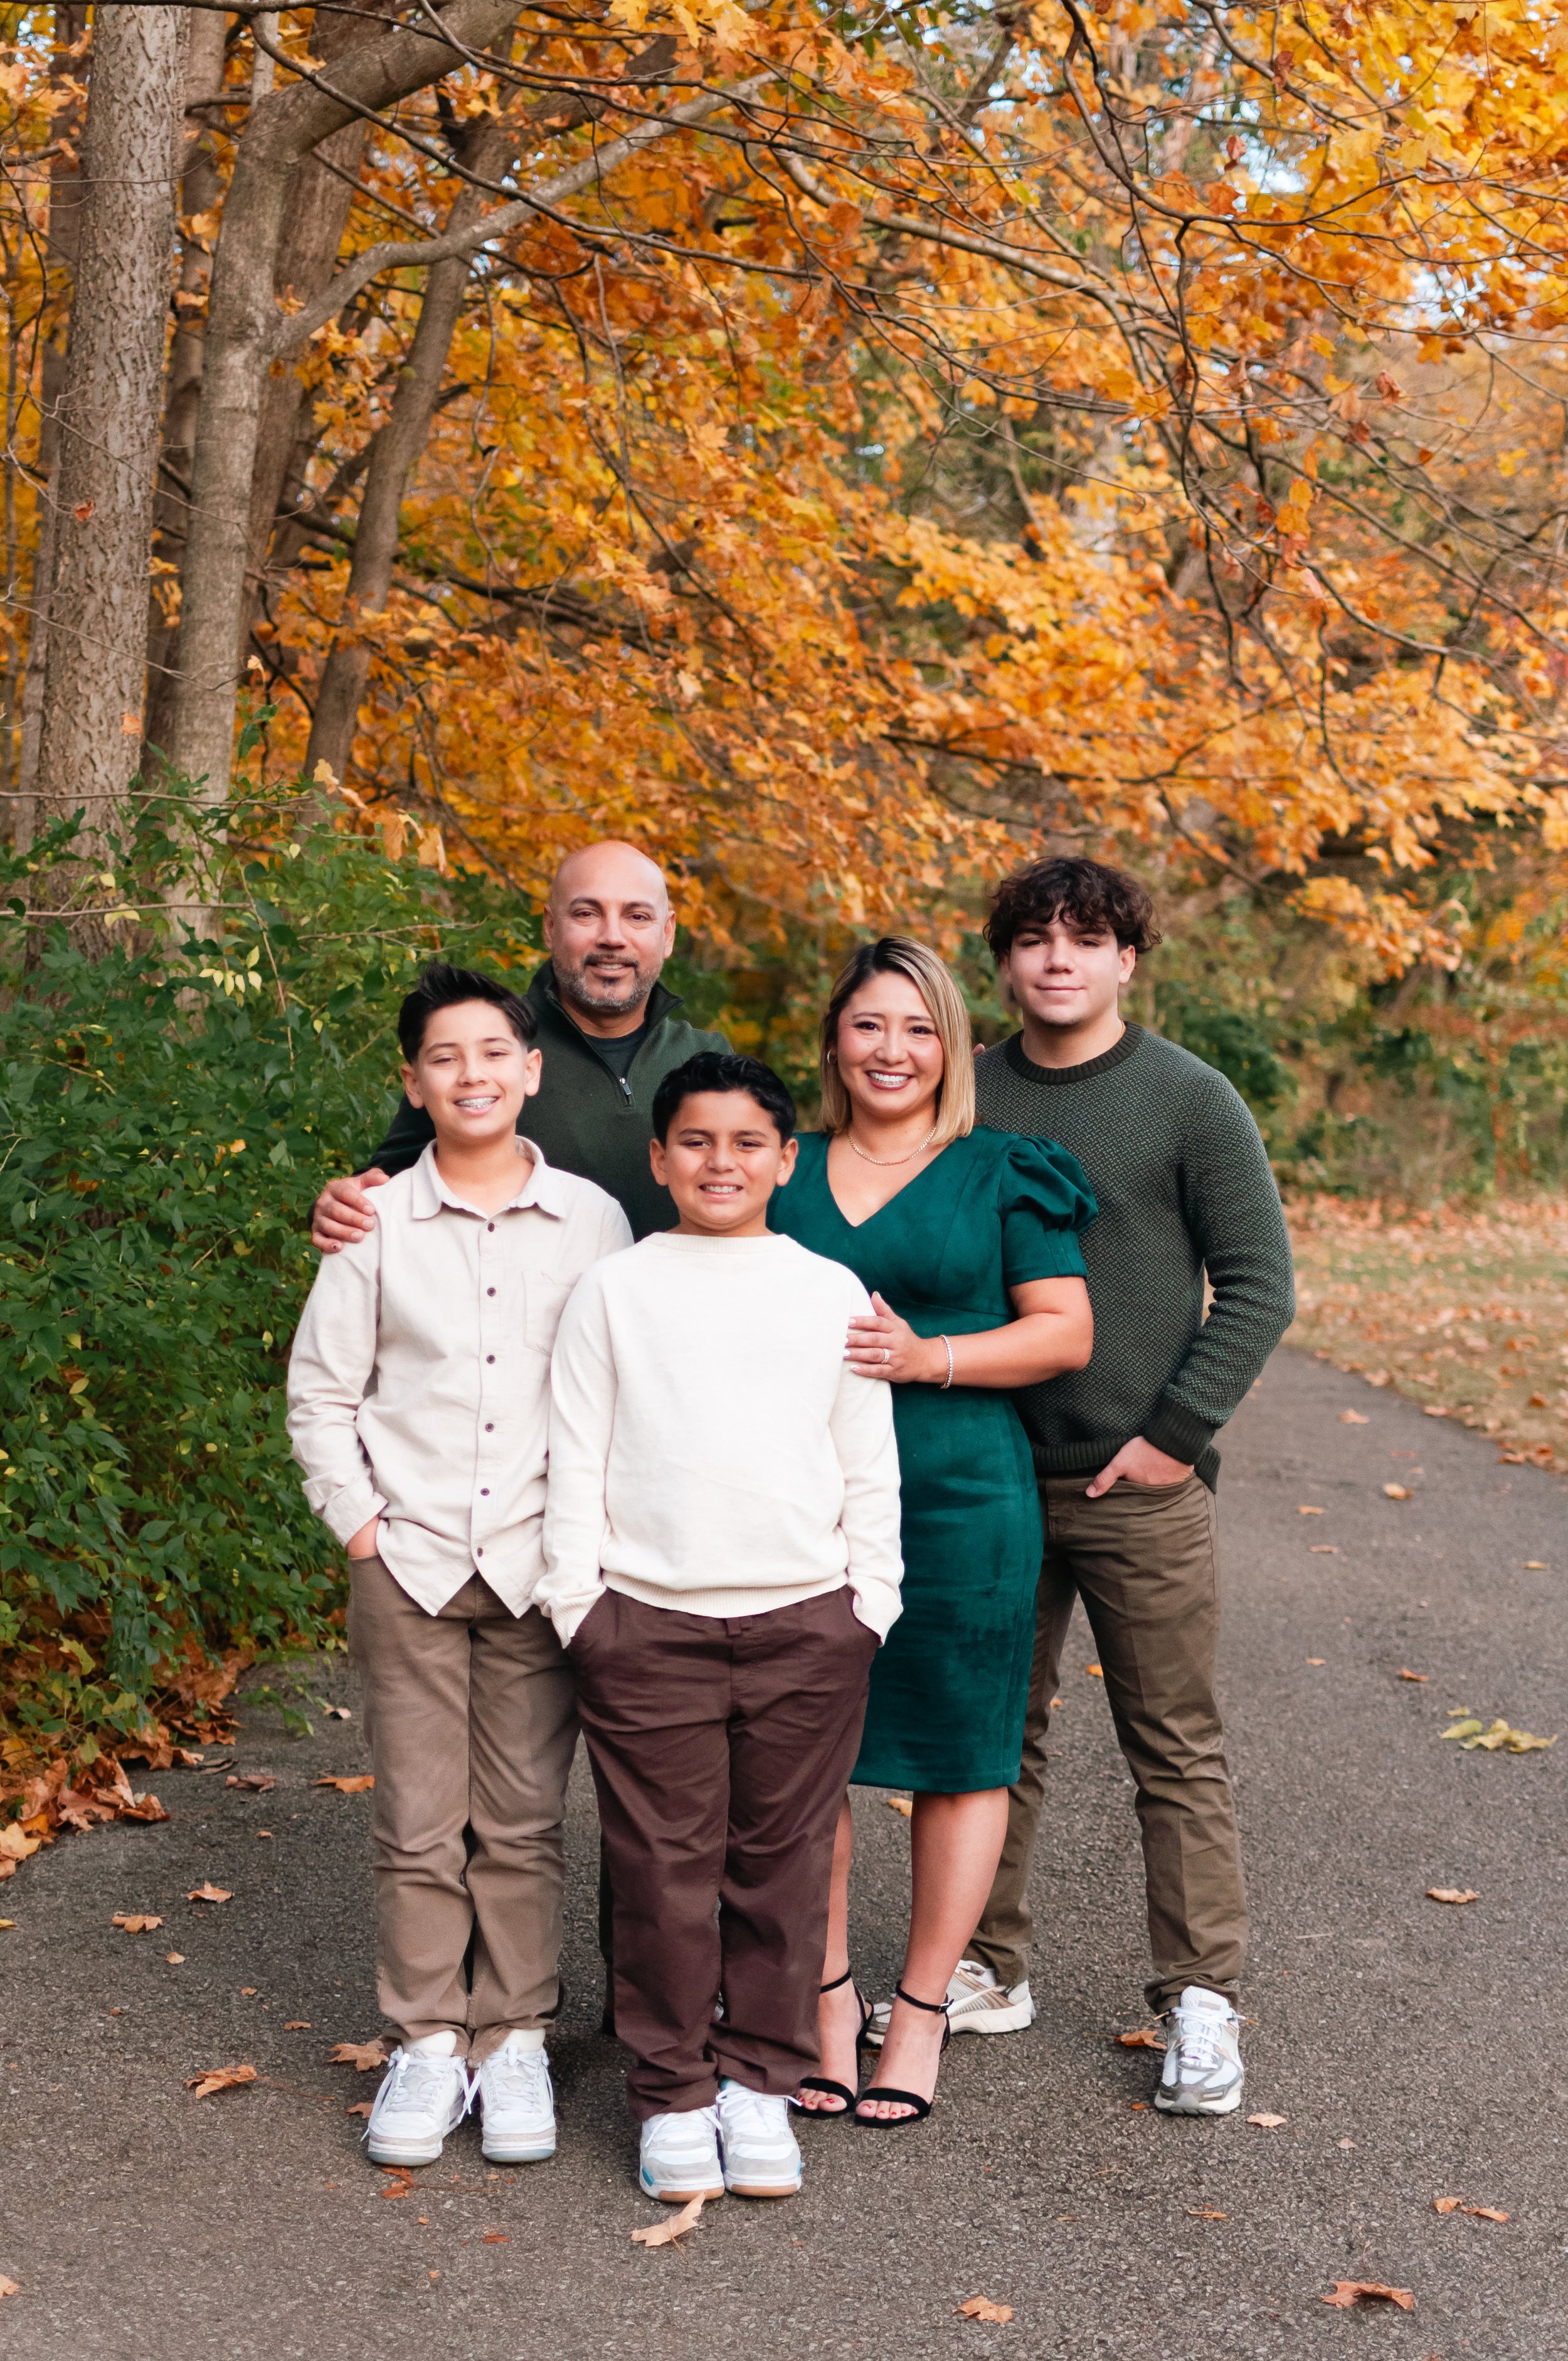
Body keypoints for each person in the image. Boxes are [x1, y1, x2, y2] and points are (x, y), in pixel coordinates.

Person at [955, 856, 1295, 2117]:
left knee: (1172, 1745)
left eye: (1084, 938)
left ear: (1124, 960)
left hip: (1137, 1486)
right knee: (996, 1735)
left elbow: (1258, 1283)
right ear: (1001, 961)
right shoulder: (962, 1091)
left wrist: (1170, 1435)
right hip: (991, 1476)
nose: (1056, 958)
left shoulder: (1186, 1100)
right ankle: (986, 1967)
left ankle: (1197, 1999)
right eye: (1033, 938)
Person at [536, 1051, 904, 2202]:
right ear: (659, 1158)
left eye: (747, 1142)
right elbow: (575, 1456)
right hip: (646, 1620)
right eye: (695, 1141)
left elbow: (866, 1462)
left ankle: (757, 2080)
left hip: (807, 1620)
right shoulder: (616, 1290)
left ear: (784, 1159)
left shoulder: (829, 1289)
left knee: (783, 1866)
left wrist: (868, 1604)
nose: (720, 1162)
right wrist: (579, 1606)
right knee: (660, 1869)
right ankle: (671, 2090)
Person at [285, 963, 632, 2169]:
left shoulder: (593, 1219)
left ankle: (515, 2033)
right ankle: (430, 2037)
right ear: (414, 1081)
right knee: (421, 1819)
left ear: (532, 1070)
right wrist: (362, 1529)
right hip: (412, 1556)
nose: (473, 1073)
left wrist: (590, 1541)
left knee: (526, 1818)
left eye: (495, 1052)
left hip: (544, 1563)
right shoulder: (375, 1218)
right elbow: (323, 1390)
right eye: (446, 1055)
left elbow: (617, 1386)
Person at [768, 938, 1094, 2127]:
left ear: (951, 1045)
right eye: (868, 1024)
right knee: (810, 1757)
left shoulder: (1006, 1168)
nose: (891, 1049)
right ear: (835, 1041)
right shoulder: (778, 1164)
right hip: (796, 1499)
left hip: (963, 1495)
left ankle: (918, 2013)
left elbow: (1065, 1330)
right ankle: (822, 2000)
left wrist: (930, 1357)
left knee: (963, 1753)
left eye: (917, 1027)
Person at [309, 840, 728, 1251]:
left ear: (668, 933)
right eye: (586, 913)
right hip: (521, 1312)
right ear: (549, 927)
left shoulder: (713, 1065)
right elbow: (379, 1189)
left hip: (679, 1316)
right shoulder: (490, 1057)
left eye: (637, 916)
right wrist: (337, 1206)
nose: (612, 938)